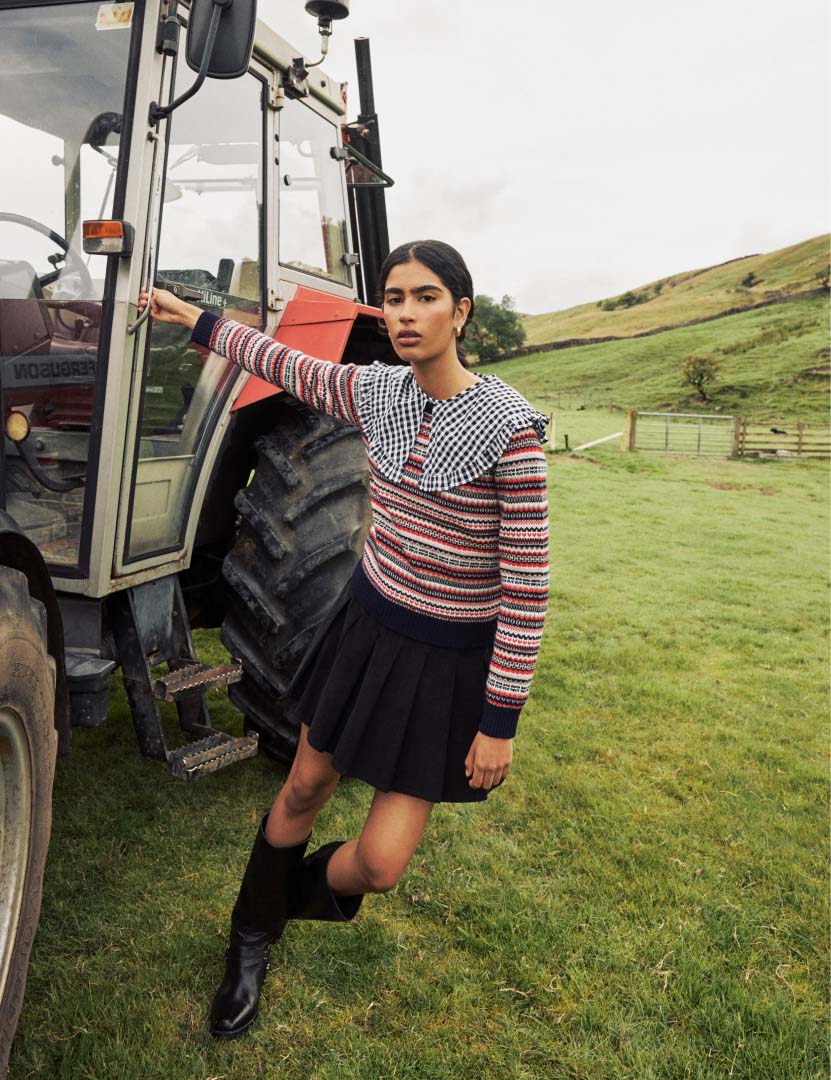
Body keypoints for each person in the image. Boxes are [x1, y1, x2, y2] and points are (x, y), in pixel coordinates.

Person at [137, 239, 550, 1040]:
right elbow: (281, 360)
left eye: (424, 297)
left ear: (460, 312)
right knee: (301, 788)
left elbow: (526, 589)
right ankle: (249, 938)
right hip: (366, 632)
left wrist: (499, 720)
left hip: (444, 664)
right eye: (393, 298)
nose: (403, 313)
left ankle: (280, 897)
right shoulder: (374, 392)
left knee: (382, 864)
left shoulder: (511, 435)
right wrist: (197, 318)